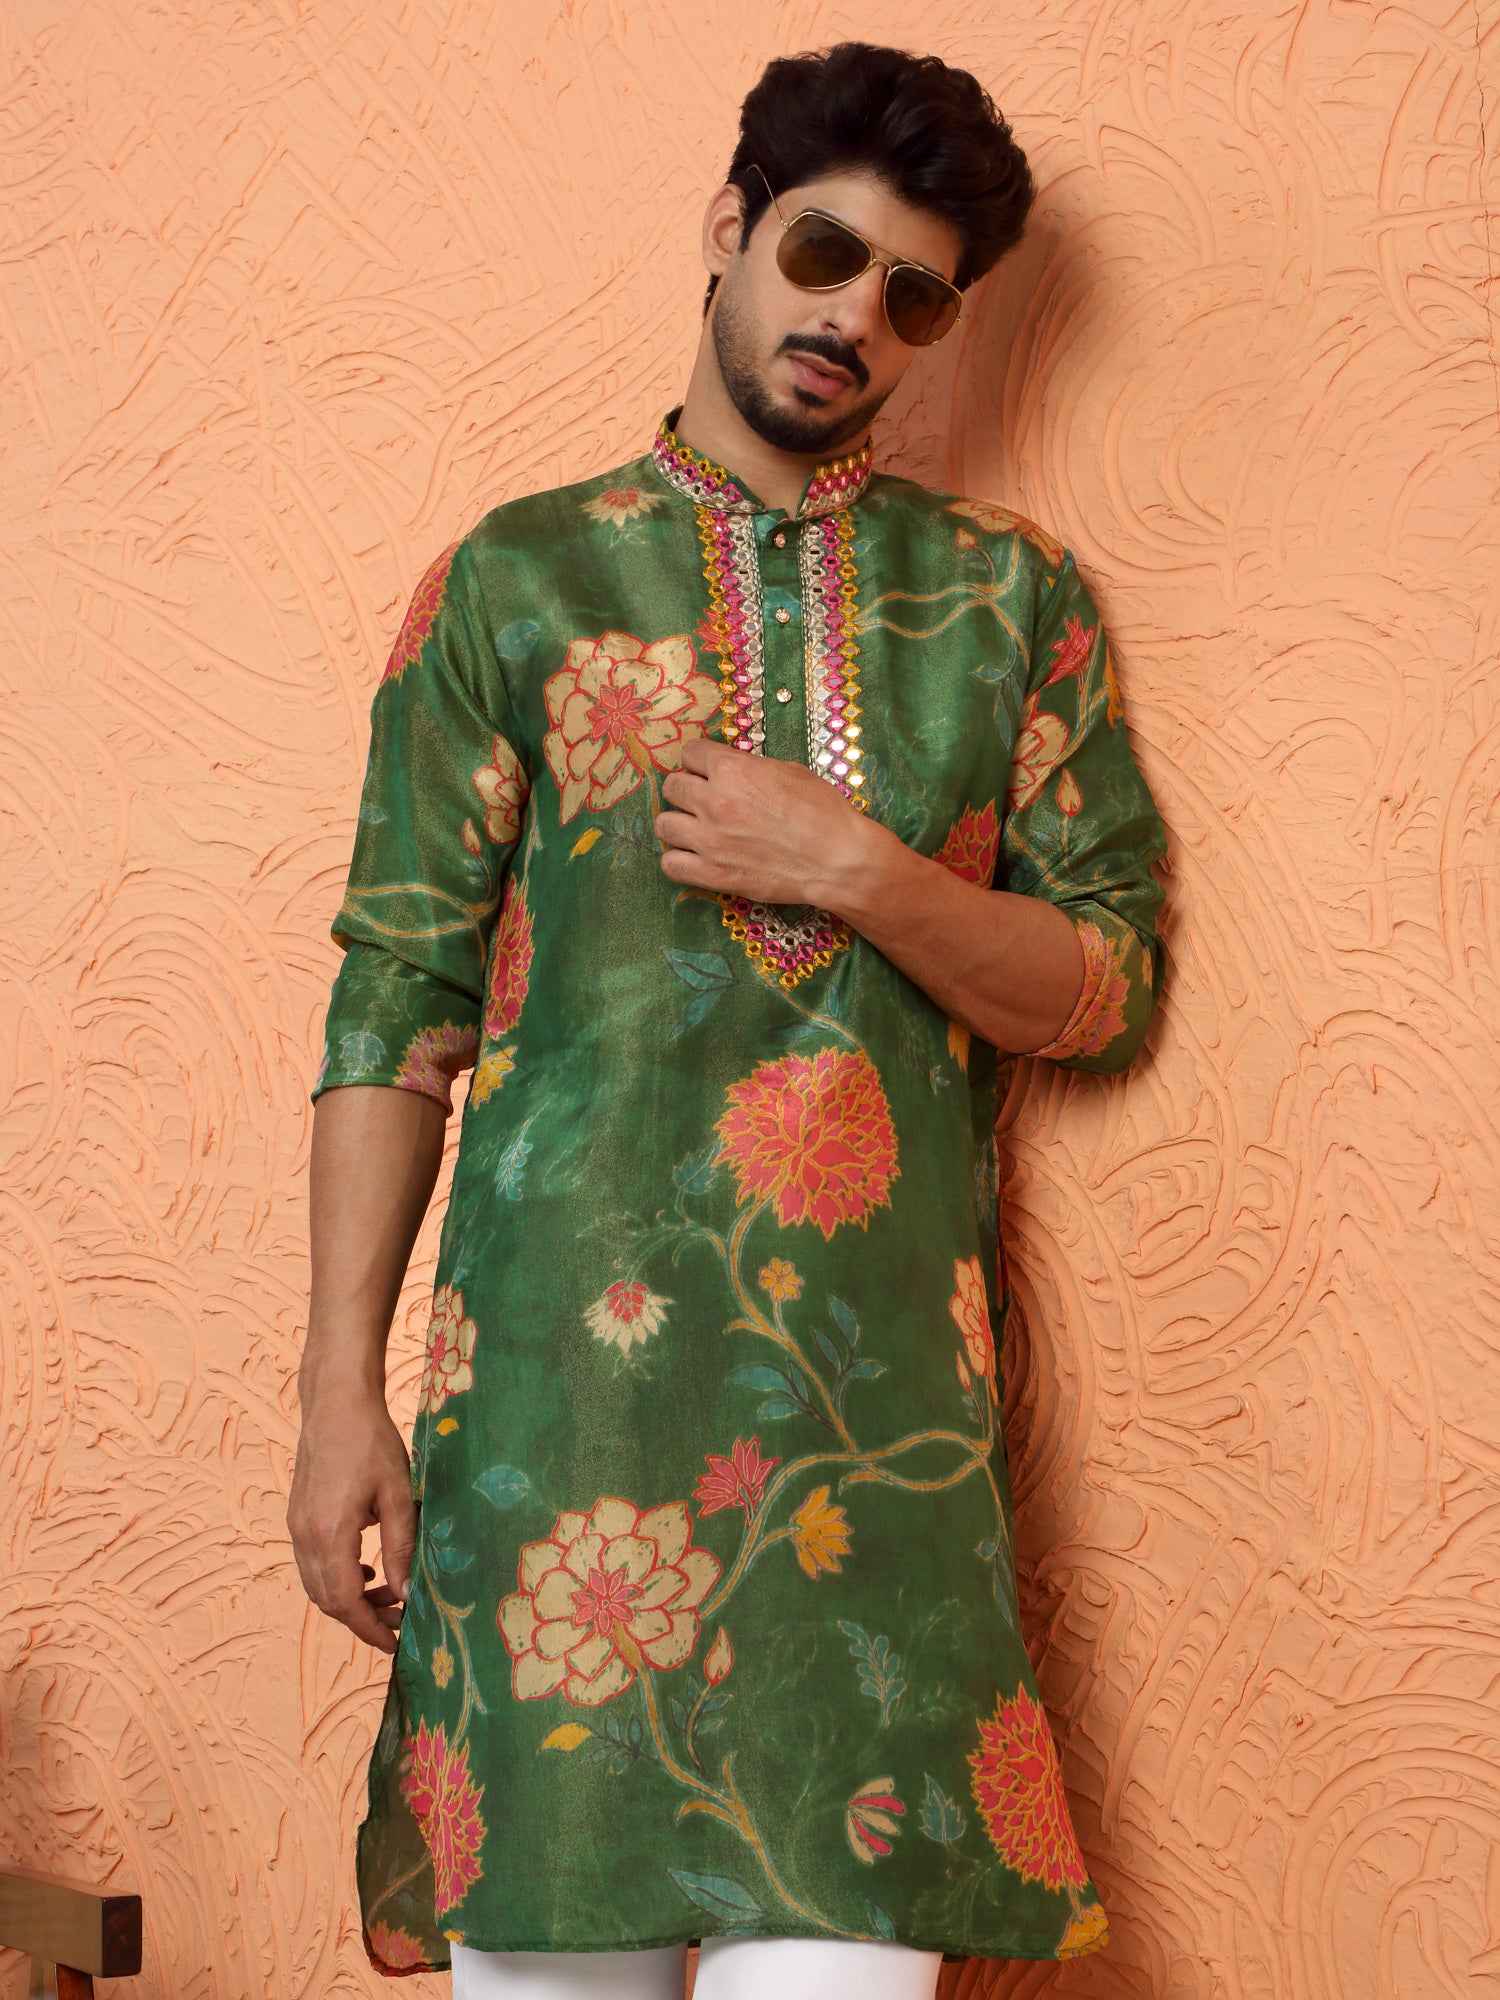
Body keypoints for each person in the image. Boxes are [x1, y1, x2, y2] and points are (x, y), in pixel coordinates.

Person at [287, 39, 1167, 2000]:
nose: (854, 317)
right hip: (549, 1447)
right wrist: (339, 1389)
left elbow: (1104, 986)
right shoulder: (513, 581)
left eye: (914, 295)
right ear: (731, 227)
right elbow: (395, 994)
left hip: (874, 1474)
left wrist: (861, 870)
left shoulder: (1008, 602)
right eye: (823, 254)